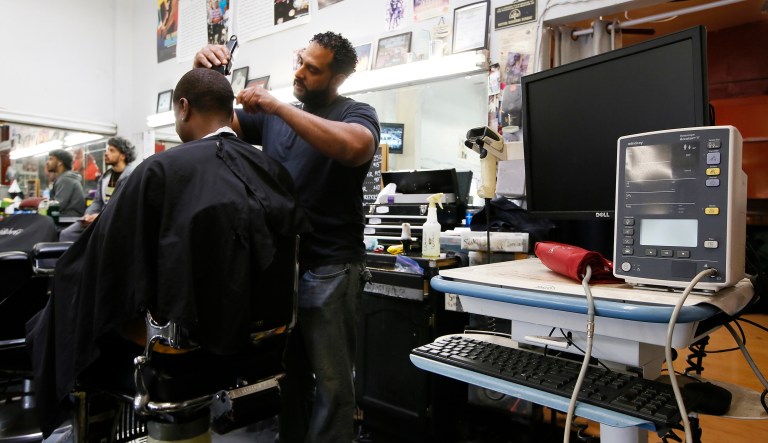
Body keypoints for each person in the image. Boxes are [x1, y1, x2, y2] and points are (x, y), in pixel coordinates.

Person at [26, 67, 310, 437]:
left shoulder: (160, 171)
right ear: (231, 111)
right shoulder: (274, 171)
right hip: (261, 347)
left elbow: (102, 268)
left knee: (67, 304)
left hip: (182, 353)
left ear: (183, 108)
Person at [194, 31, 380, 443]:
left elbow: (355, 148)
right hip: (282, 270)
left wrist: (277, 106)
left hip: (331, 267)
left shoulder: (356, 112)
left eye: (312, 69)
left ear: (338, 78)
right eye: (300, 60)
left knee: (332, 384)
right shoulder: (274, 119)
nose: (299, 72)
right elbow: (210, 126)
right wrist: (202, 74)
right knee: (287, 377)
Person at [59, 136, 138, 242]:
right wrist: (88, 215)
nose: (106, 153)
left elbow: (125, 206)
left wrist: (99, 216)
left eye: (112, 151)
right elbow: (97, 202)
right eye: (107, 150)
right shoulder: (105, 177)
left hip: (117, 221)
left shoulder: (132, 176)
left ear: (122, 156)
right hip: (99, 219)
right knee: (67, 234)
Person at [46, 149, 86, 217]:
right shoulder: (64, 178)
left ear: (60, 162)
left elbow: (57, 206)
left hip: (68, 220)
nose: (47, 162)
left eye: (51, 159)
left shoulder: (65, 180)